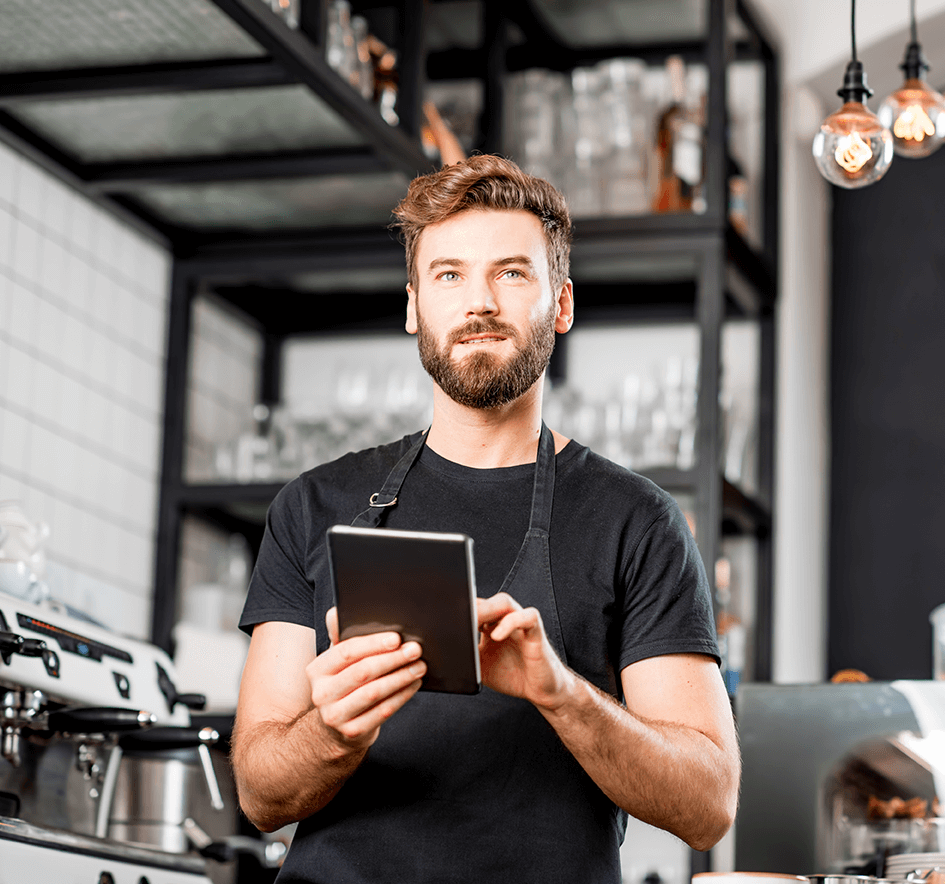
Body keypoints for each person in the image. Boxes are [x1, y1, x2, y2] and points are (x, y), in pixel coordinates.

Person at [230, 154, 740, 883]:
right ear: (414, 306)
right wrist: (337, 728)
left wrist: (558, 692)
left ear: (559, 304)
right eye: (448, 275)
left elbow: (708, 804)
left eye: (511, 273)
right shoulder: (314, 505)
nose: (478, 303)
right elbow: (260, 794)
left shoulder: (638, 521)